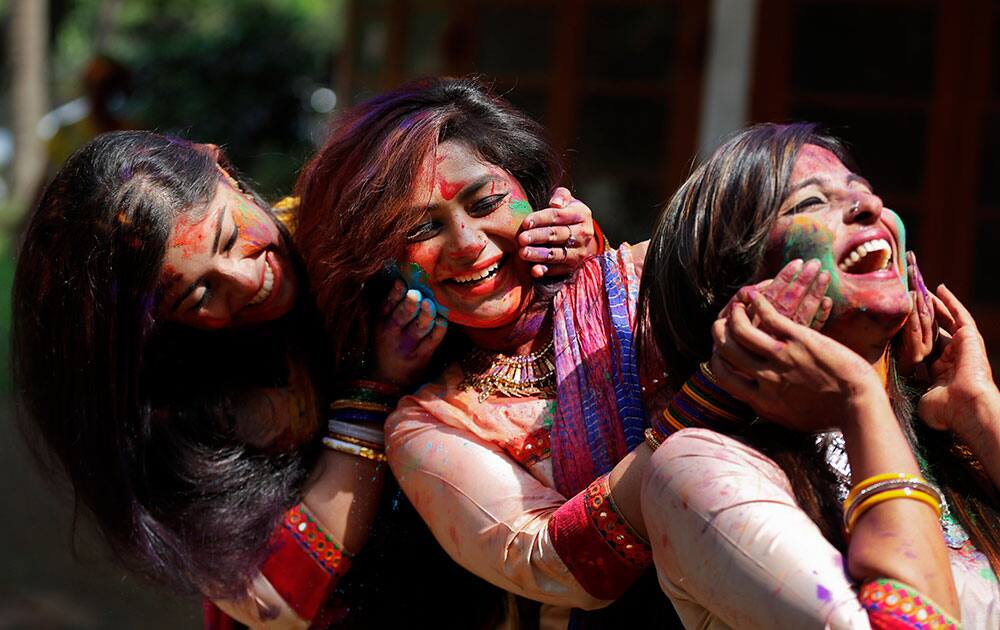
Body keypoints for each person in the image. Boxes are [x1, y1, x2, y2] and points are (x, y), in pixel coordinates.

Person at [12, 129, 599, 629]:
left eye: (226, 239)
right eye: (197, 293)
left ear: (223, 168)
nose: (245, 281)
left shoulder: (345, 231)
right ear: (152, 328)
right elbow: (275, 602)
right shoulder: (173, 407)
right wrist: (371, 395)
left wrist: (566, 253)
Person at [294, 76, 691, 628]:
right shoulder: (432, 424)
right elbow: (561, 568)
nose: (467, 243)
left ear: (533, 194)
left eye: (486, 203)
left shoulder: (650, 279)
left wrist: (599, 281)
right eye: (422, 227)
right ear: (383, 264)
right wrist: (699, 419)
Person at [637, 123, 1000, 628]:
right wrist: (860, 399)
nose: (870, 208)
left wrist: (980, 411)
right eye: (810, 204)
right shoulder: (699, 470)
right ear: (735, 281)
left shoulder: (952, 437)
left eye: (865, 192)